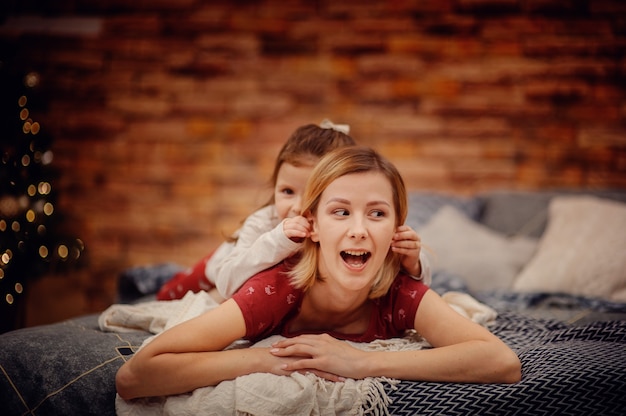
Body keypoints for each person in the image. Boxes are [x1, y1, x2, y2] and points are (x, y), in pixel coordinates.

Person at [116, 146, 521, 400]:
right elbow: (135, 376)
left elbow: (501, 361)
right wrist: (264, 361)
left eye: (377, 213)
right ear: (313, 225)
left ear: (397, 227)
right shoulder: (275, 288)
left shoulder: (399, 291)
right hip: (234, 273)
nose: (359, 229)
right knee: (209, 270)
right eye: (340, 212)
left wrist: (362, 363)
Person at [156, 121, 431, 302]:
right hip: (223, 263)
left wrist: (413, 263)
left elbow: (414, 287)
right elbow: (228, 282)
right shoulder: (265, 223)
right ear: (274, 186)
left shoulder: (351, 230)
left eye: (313, 193)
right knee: (182, 294)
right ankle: (158, 295)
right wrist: (277, 240)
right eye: (287, 191)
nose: (298, 206)